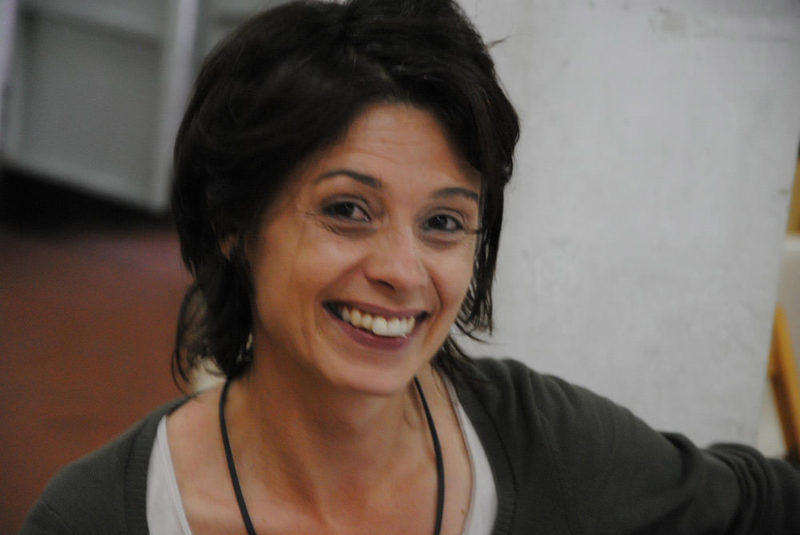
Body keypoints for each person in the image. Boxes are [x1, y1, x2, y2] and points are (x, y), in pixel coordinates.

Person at [22, 0, 800, 533]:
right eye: (347, 209)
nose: (402, 269)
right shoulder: (101, 515)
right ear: (235, 225)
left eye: (443, 223)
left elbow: (762, 504)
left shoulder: (537, 443)